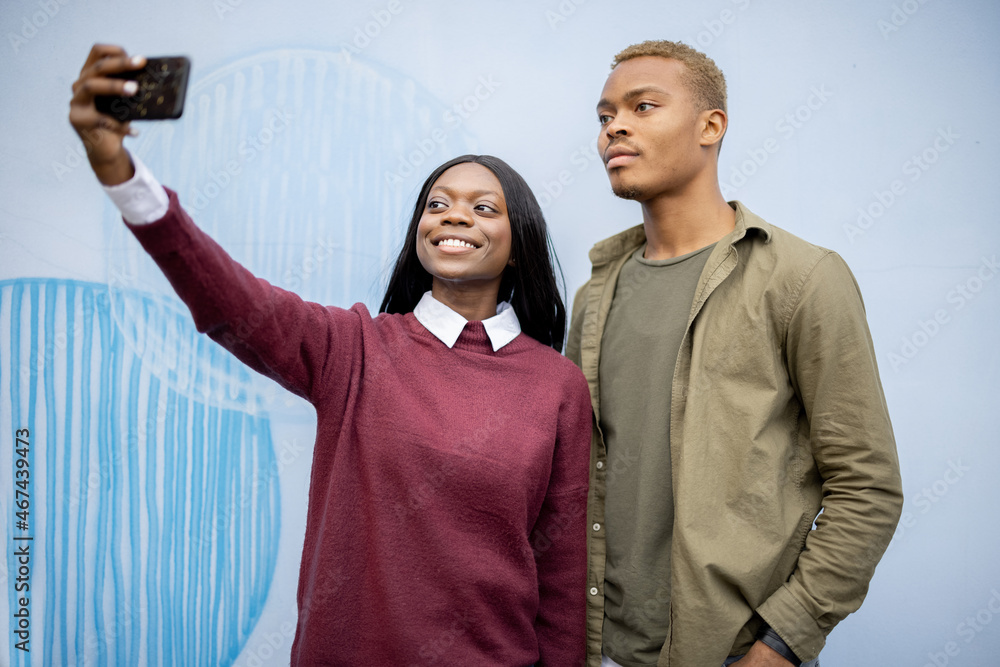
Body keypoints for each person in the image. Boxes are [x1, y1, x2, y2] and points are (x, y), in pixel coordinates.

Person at [70, 44, 591, 666]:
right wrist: (124, 176)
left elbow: (560, 581)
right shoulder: (354, 349)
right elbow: (231, 298)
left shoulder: (556, 385)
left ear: (517, 244)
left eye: (484, 207)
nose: (455, 215)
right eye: (437, 203)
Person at [566, 40, 903, 667]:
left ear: (710, 126)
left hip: (729, 653)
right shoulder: (596, 295)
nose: (615, 127)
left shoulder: (802, 280)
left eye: (643, 107)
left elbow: (868, 486)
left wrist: (780, 646)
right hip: (598, 649)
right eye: (605, 115)